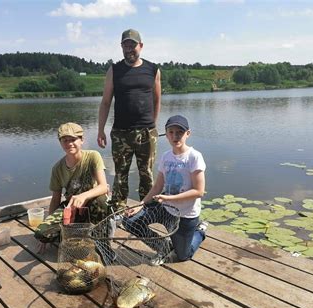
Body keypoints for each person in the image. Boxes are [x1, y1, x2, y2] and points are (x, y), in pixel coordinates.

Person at [124, 115, 208, 265]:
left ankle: (200, 231)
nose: (175, 136)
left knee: (183, 255)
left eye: (179, 132)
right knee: (130, 221)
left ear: (187, 133)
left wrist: (169, 198)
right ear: (166, 134)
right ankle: (164, 247)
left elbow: (199, 191)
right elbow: (157, 186)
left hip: (186, 215)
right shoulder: (165, 157)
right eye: (171, 132)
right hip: (167, 211)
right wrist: (141, 204)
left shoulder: (194, 157)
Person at [97, 28, 161, 209]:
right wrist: (101, 129)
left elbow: (157, 100)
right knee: (120, 174)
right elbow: (105, 102)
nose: (129, 49)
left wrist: (153, 126)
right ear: (121, 47)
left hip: (147, 132)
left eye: (132, 45)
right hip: (120, 133)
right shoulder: (114, 70)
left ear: (140, 46)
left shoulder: (153, 70)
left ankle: (147, 209)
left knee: (147, 174)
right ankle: (117, 209)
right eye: (125, 45)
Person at [34, 122, 115, 261]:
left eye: (73, 139)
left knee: (101, 200)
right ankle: (79, 232)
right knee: (42, 233)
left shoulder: (92, 156)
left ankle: (103, 243)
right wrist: (48, 230)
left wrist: (83, 196)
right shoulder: (57, 168)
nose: (69, 143)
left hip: (93, 204)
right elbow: (55, 199)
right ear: (60, 143)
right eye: (65, 140)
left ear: (82, 140)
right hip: (72, 207)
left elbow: (102, 186)